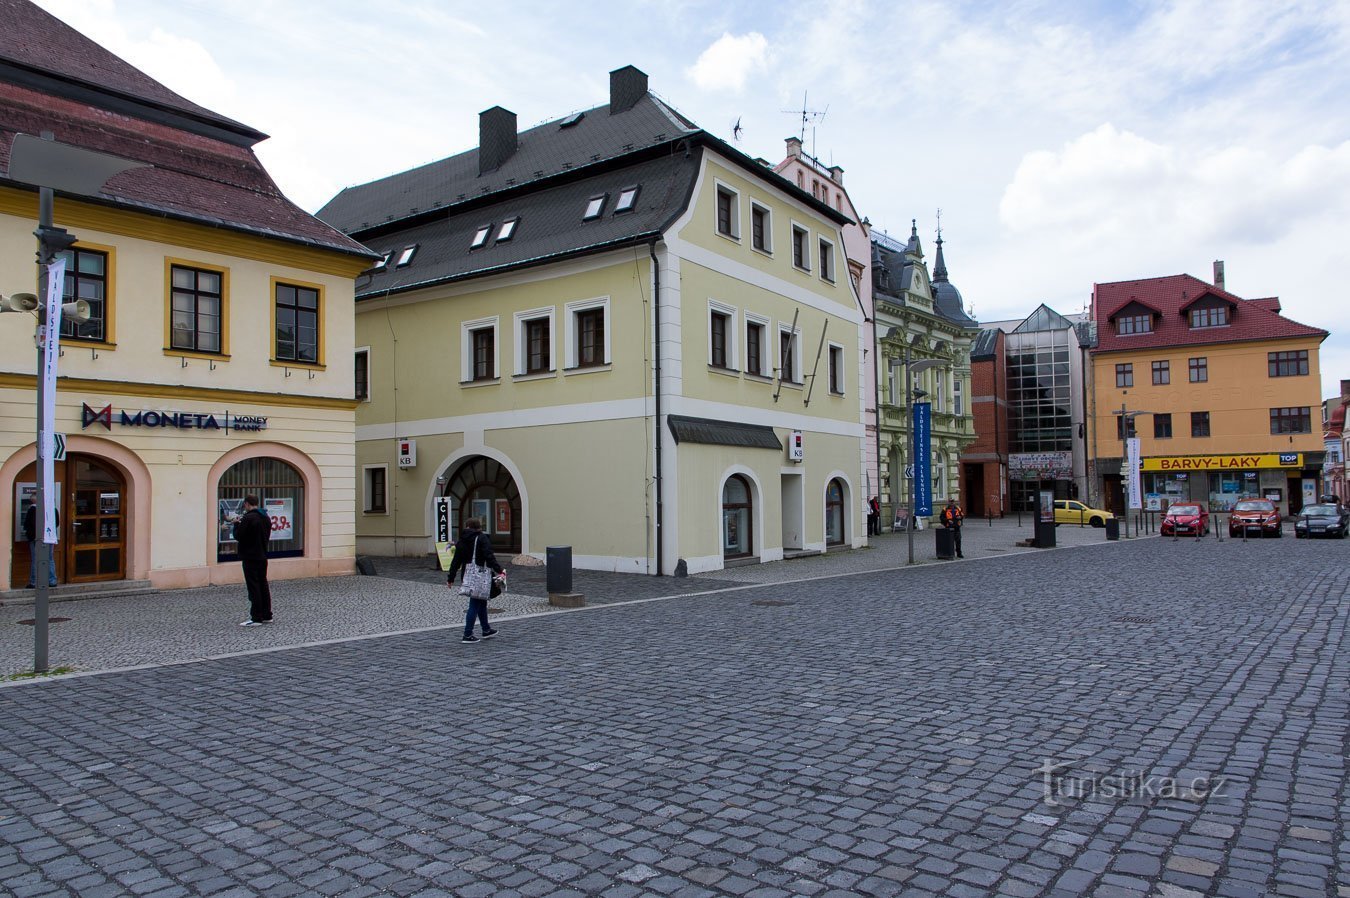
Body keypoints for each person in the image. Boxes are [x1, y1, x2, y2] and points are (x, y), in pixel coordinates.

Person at [446, 518, 504, 644]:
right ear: (479, 527)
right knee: (475, 603)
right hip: (480, 577)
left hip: (468, 576)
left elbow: (456, 561)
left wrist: (450, 578)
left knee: (481, 601)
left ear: (467, 526)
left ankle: (486, 629)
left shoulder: (462, 540)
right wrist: (499, 570)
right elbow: (489, 556)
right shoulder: (482, 538)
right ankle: (467, 634)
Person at [232, 495, 273, 626]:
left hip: (250, 557)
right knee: (263, 585)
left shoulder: (248, 518)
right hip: (262, 555)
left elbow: (239, 536)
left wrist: (236, 525)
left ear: (246, 504)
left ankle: (256, 617)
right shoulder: (265, 517)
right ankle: (267, 614)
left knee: (253, 587)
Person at [22, 501, 58, 589]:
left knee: (35, 559)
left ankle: (34, 582)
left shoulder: (32, 509)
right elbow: (56, 523)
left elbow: (27, 524)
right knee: (50, 558)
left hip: (36, 538)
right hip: (49, 537)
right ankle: (52, 580)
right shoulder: (53, 509)